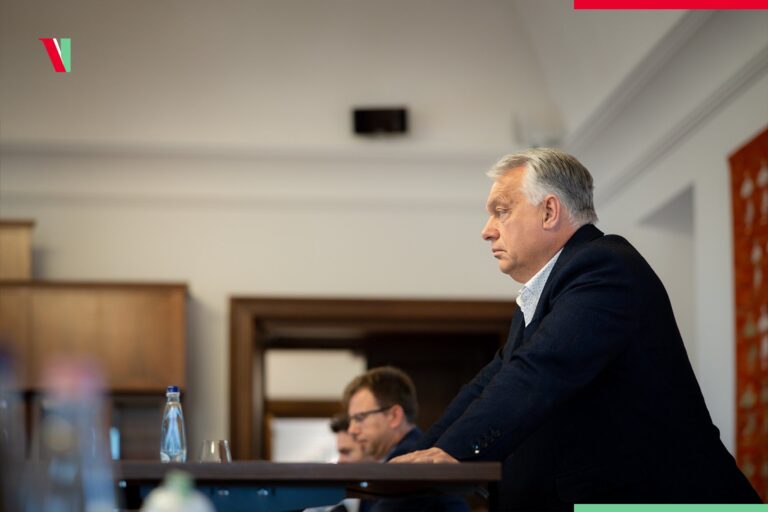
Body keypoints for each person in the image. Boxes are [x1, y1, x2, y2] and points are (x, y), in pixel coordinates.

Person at [391, 148, 762, 510]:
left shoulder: (605, 268)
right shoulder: (546, 293)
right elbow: (490, 383)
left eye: (501, 212)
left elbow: (538, 371)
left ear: (549, 211)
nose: (487, 231)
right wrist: (418, 458)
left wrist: (453, 452)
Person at [344, 366, 469, 512]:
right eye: (351, 420)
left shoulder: (412, 461)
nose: (351, 430)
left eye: (359, 418)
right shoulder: (402, 454)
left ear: (394, 416)